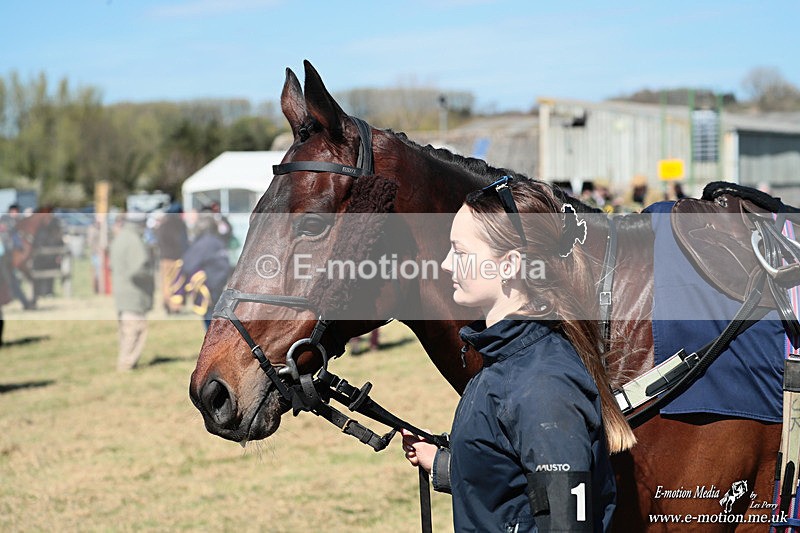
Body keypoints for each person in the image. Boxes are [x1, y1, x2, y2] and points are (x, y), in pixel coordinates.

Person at [401, 176, 636, 532]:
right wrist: (443, 464)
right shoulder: (504, 361)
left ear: (509, 265)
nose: (447, 264)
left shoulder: (543, 387)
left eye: (460, 252)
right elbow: (515, 485)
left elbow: (566, 524)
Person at [109, 212, 154, 371]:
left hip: (122, 292)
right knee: (135, 330)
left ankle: (124, 363)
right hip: (134, 294)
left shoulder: (120, 237)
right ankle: (126, 365)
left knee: (125, 331)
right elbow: (138, 270)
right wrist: (150, 275)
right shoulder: (135, 240)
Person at [177, 213, 231, 329]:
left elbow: (188, 264)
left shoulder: (203, 244)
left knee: (210, 322)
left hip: (208, 287)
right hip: (219, 284)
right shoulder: (218, 242)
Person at [155, 203, 189, 314]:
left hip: (164, 257)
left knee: (165, 282)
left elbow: (158, 240)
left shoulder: (163, 224)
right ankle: (175, 307)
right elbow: (183, 241)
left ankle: (166, 304)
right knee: (177, 282)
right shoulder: (180, 224)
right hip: (177, 258)